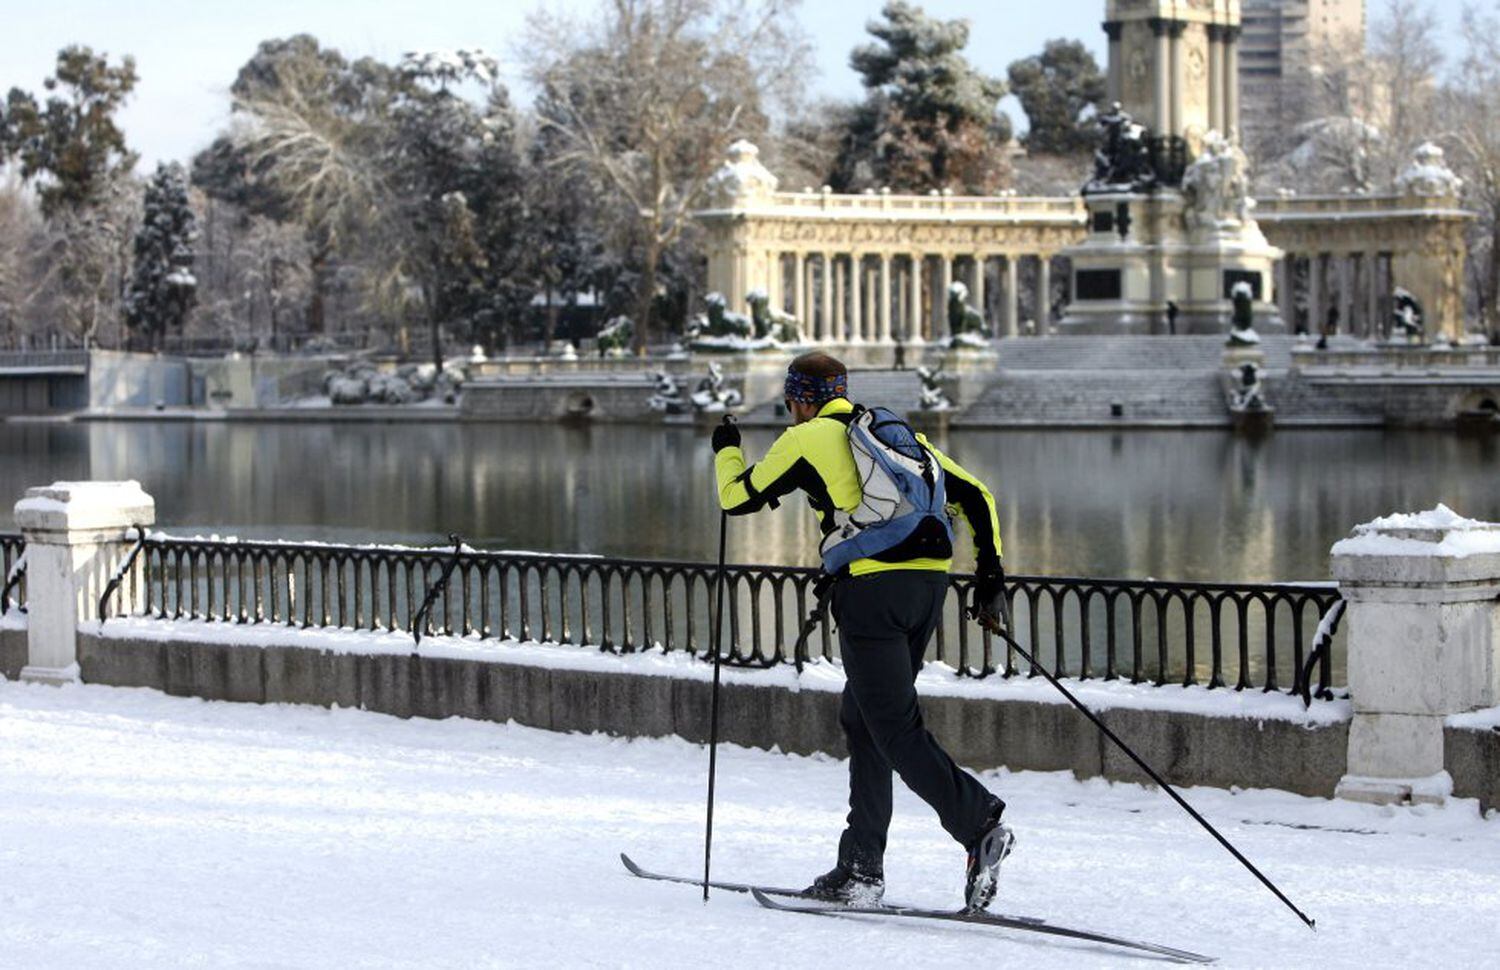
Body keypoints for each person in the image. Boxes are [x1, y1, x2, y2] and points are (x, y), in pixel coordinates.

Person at [710, 351, 1014, 912]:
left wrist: (726, 448)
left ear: (798, 398)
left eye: (792, 401)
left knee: (893, 726)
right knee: (866, 718)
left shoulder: (806, 439)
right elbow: (976, 495)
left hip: (872, 593)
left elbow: (736, 498)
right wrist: (990, 575)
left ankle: (980, 824)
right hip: (927, 586)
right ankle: (859, 868)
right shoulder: (891, 433)